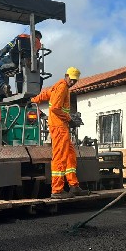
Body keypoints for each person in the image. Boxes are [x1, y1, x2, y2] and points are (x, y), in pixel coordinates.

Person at [31, 67, 89, 199]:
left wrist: (33, 100)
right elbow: (55, 108)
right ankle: (57, 190)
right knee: (60, 157)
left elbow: (45, 94)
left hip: (61, 126)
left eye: (75, 80)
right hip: (58, 127)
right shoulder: (62, 88)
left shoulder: (58, 87)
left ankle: (74, 186)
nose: (73, 82)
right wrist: (70, 119)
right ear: (66, 76)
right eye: (72, 79)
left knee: (70, 154)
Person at [0, 30, 42, 97]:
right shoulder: (38, 44)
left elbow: (8, 47)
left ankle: (4, 86)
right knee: (21, 70)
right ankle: (20, 91)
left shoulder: (21, 37)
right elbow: (35, 55)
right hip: (28, 62)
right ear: (38, 37)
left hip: (15, 59)